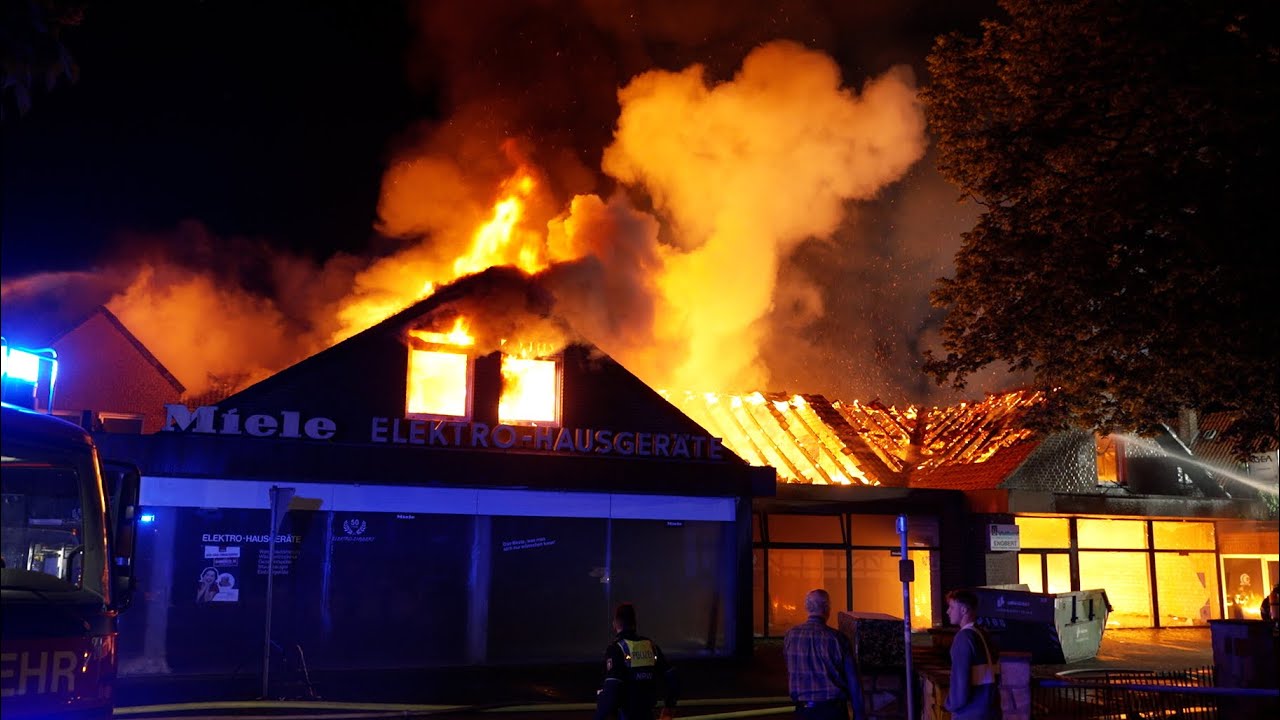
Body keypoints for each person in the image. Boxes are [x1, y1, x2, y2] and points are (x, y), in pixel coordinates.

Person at [782, 589, 866, 720]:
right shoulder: (838, 639)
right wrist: (859, 714)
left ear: (806, 607)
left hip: (804, 711)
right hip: (833, 711)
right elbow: (854, 682)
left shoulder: (791, 636)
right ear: (827, 608)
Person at [594, 602, 679, 720]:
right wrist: (669, 706)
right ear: (634, 623)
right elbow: (672, 677)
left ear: (615, 623)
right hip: (648, 714)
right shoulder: (650, 646)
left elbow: (612, 690)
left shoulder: (616, 649)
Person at [944, 589, 1000, 720]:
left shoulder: (963, 638)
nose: (948, 611)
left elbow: (960, 682)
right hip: (990, 710)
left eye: (952, 607)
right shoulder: (983, 634)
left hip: (969, 713)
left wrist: (950, 704)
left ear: (963, 610)